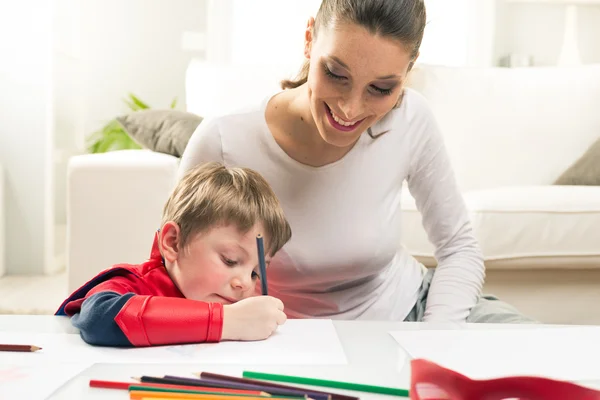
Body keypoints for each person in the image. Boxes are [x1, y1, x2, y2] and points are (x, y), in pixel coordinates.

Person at [179, 0, 535, 323]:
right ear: (309, 40)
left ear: (408, 71)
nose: (351, 109)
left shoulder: (409, 119)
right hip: (284, 336)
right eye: (336, 74)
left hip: (416, 313)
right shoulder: (224, 141)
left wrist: (434, 340)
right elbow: (170, 267)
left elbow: (459, 248)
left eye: (381, 89)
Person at [56, 162, 292, 347]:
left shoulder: (235, 301)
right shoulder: (133, 284)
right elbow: (98, 316)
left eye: (254, 273)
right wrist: (227, 322)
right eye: (229, 260)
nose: (244, 283)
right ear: (173, 243)